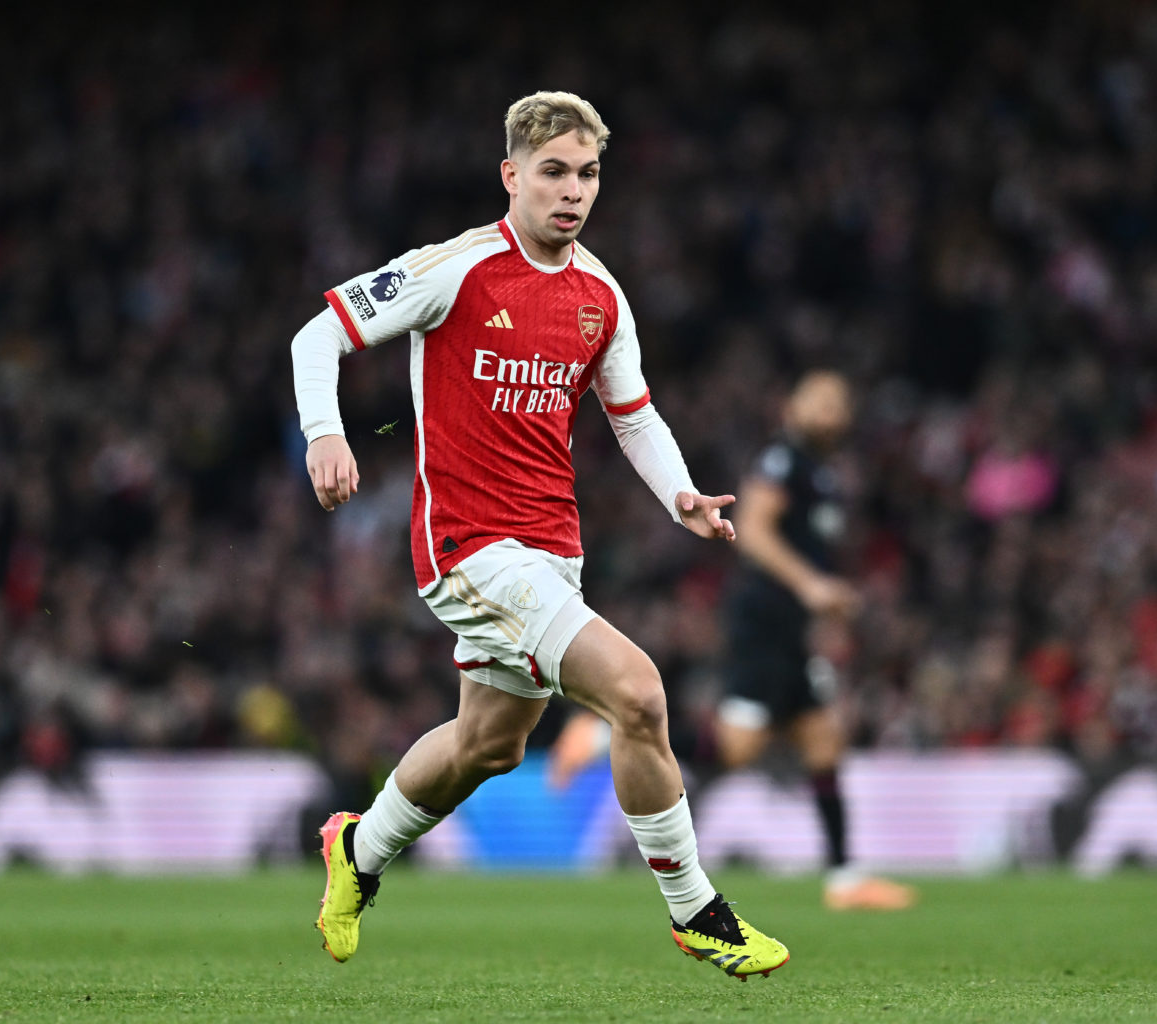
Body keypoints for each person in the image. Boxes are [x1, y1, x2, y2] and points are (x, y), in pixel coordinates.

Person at [290, 91, 789, 980]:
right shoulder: (457, 269)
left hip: (552, 548)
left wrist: (680, 495)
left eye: (588, 174)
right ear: (511, 175)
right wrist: (324, 431)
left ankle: (359, 849)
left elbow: (632, 415)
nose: (572, 192)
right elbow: (315, 337)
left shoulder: (600, 293)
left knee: (490, 744)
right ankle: (696, 912)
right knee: (637, 694)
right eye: (553, 172)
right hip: (470, 549)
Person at [715, 371, 915, 910]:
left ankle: (846, 879)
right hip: (764, 621)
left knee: (823, 738)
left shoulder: (819, 470)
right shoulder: (783, 459)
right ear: (791, 406)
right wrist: (811, 585)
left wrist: (824, 598)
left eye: (839, 403)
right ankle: (601, 739)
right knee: (739, 748)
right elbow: (752, 531)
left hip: (789, 626)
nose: (830, 411)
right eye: (819, 401)